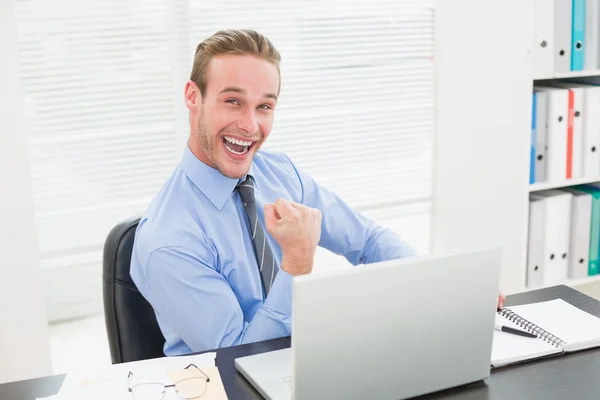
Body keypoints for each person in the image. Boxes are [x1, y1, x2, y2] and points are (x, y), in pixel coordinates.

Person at [130, 29, 505, 356]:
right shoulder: (169, 240)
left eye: (264, 106)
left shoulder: (279, 173)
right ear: (193, 97)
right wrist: (297, 260)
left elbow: (369, 241)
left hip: (306, 362)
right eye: (233, 101)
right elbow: (240, 359)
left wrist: (446, 286)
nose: (250, 125)